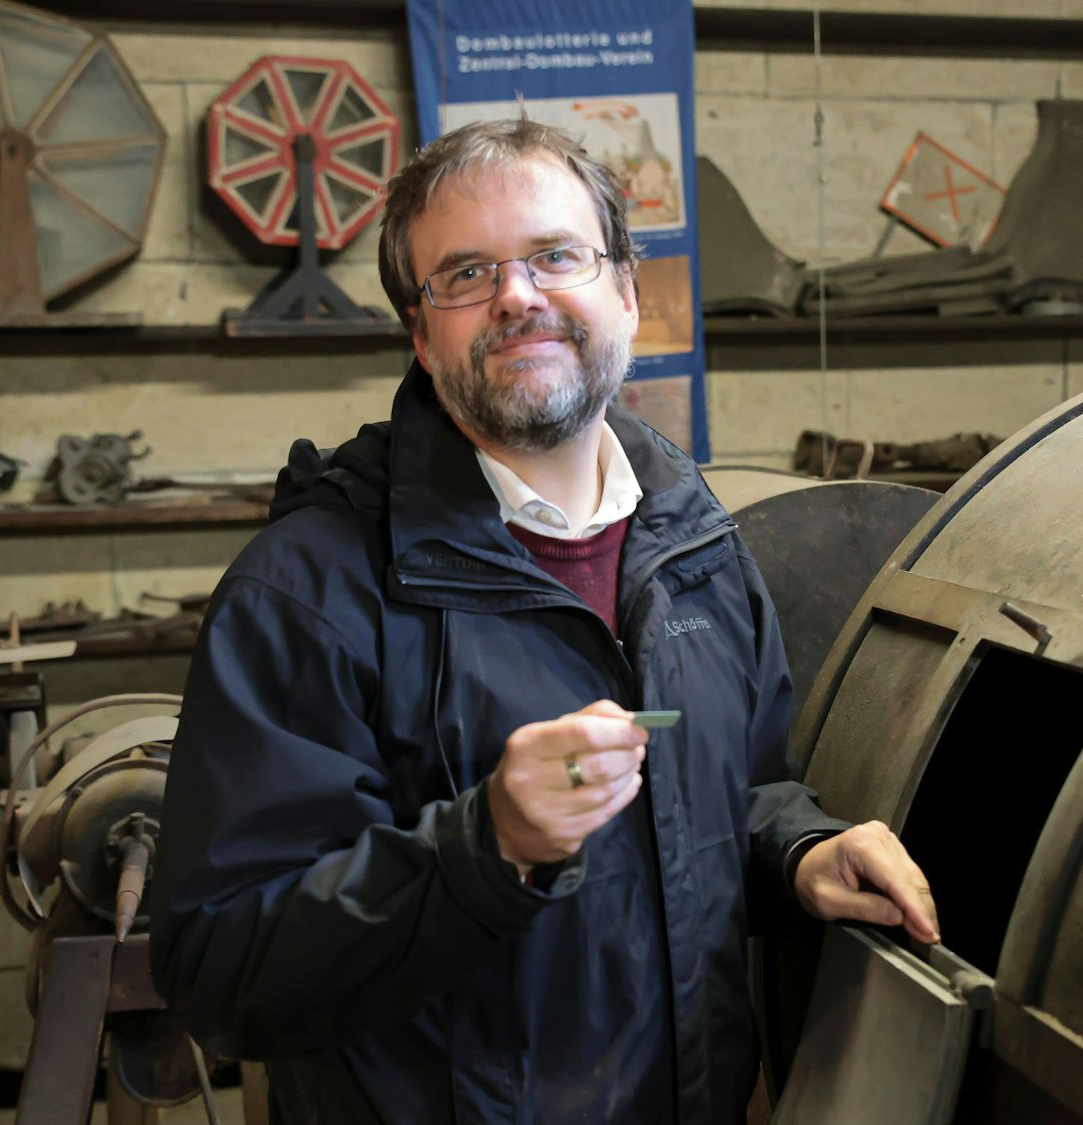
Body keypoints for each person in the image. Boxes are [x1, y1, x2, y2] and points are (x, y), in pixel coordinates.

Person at [149, 118, 939, 1125]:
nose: (516, 296)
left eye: (553, 256)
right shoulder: (308, 594)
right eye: (466, 274)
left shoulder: (696, 545)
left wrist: (796, 850)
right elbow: (221, 969)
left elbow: (733, 792)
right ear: (421, 335)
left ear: (624, 292)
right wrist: (487, 849)